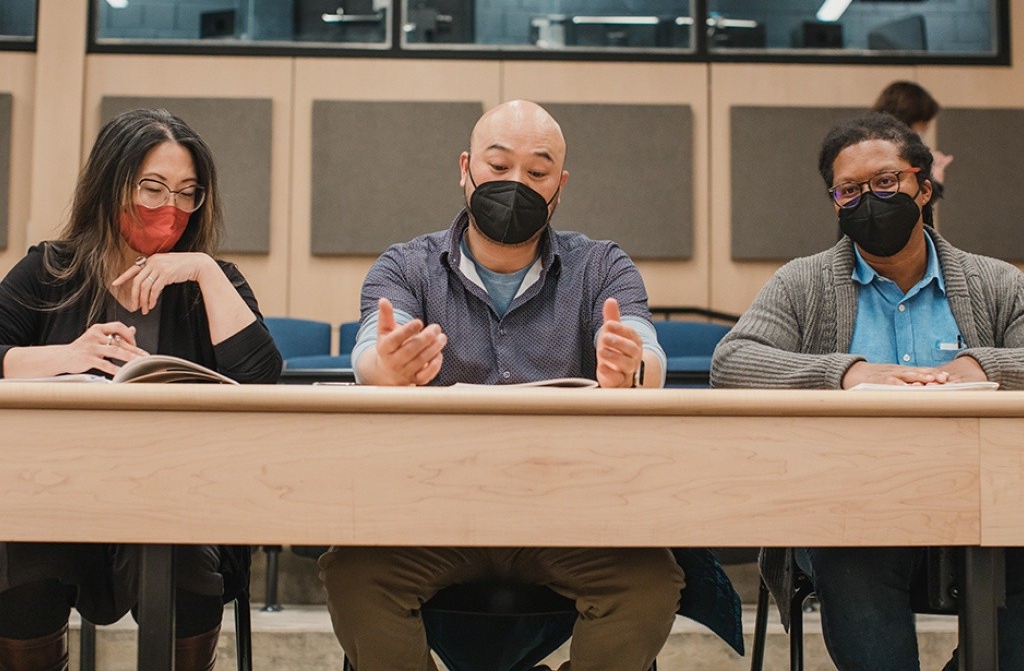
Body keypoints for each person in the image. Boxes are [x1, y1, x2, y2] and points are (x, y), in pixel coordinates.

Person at [318, 100, 738, 671]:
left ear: (559, 186)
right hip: (435, 512)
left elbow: (645, 350)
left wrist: (632, 370)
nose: (516, 183)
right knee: (353, 575)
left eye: (537, 172)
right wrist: (384, 370)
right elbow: (370, 349)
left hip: (568, 514)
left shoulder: (602, 266)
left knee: (650, 583)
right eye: (498, 166)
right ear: (465, 168)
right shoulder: (405, 267)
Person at [711, 112, 1024, 671]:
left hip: (984, 510)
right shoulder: (801, 284)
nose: (868, 200)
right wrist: (847, 372)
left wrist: (980, 365)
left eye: (885, 182)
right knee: (852, 551)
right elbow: (733, 362)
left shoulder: (997, 283)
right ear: (835, 203)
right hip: (848, 510)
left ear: (922, 188)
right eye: (849, 190)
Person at [0, 108, 282, 671]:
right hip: (58, 495)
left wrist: (204, 270)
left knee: (185, 564)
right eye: (152, 188)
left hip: (180, 498)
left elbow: (260, 381)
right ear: (111, 185)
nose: (170, 208)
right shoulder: (48, 272)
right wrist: (67, 356)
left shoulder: (211, 284)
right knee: (22, 562)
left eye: (187, 193)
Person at [872, 80, 952, 226]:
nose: (926, 127)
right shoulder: (888, 154)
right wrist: (935, 183)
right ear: (910, 118)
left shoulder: (869, 144)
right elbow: (906, 203)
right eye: (924, 121)